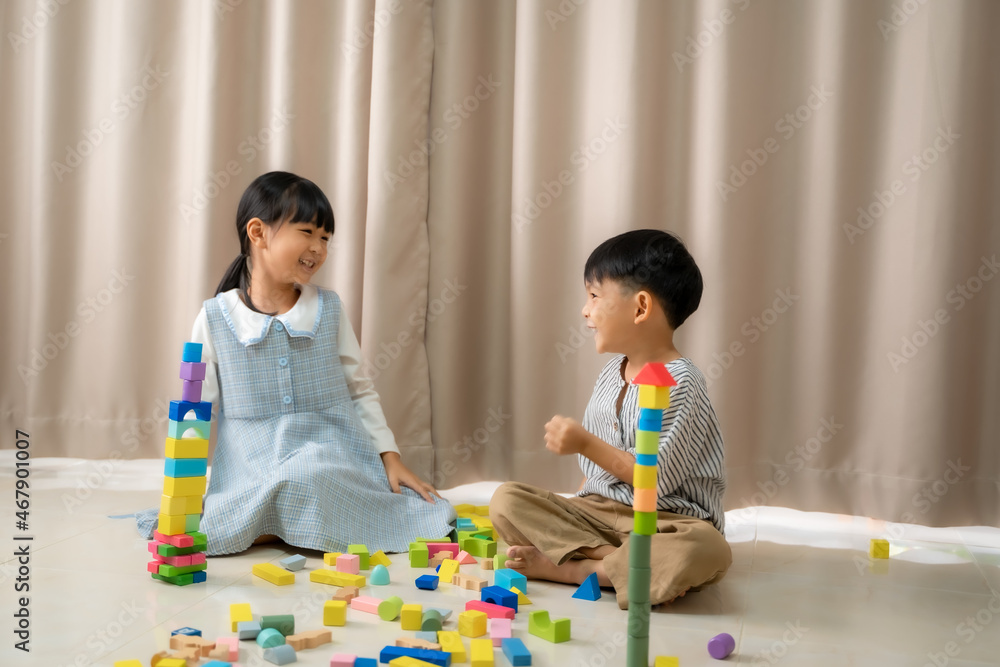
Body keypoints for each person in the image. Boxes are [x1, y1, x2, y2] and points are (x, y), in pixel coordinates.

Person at [136, 171, 454, 555]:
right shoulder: (215, 319)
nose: (318, 248)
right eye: (307, 232)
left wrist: (390, 458)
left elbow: (359, 389)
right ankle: (277, 521)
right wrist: (184, 494)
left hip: (328, 449)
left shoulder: (328, 309)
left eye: (325, 238)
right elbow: (195, 411)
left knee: (312, 474)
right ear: (258, 233)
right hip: (250, 462)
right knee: (241, 507)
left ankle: (275, 524)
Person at [489, 229, 731, 609]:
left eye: (594, 296)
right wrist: (575, 508)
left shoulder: (681, 381)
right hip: (601, 517)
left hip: (667, 521)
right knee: (507, 500)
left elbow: (656, 478)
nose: (585, 310)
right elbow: (593, 473)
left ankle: (574, 570)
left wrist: (584, 442)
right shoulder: (610, 373)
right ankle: (620, 565)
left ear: (640, 308)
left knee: (707, 549)